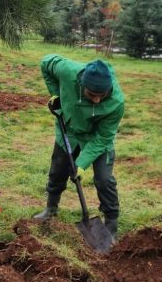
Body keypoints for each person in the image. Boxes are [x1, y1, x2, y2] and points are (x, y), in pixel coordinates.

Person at [34, 54, 125, 239]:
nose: (98, 100)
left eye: (102, 95)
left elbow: (103, 138)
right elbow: (45, 63)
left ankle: (111, 224)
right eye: (92, 95)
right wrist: (55, 93)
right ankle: (50, 209)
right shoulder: (68, 71)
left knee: (104, 179)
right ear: (82, 84)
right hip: (68, 131)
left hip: (96, 138)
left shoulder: (117, 103)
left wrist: (82, 163)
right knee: (58, 169)